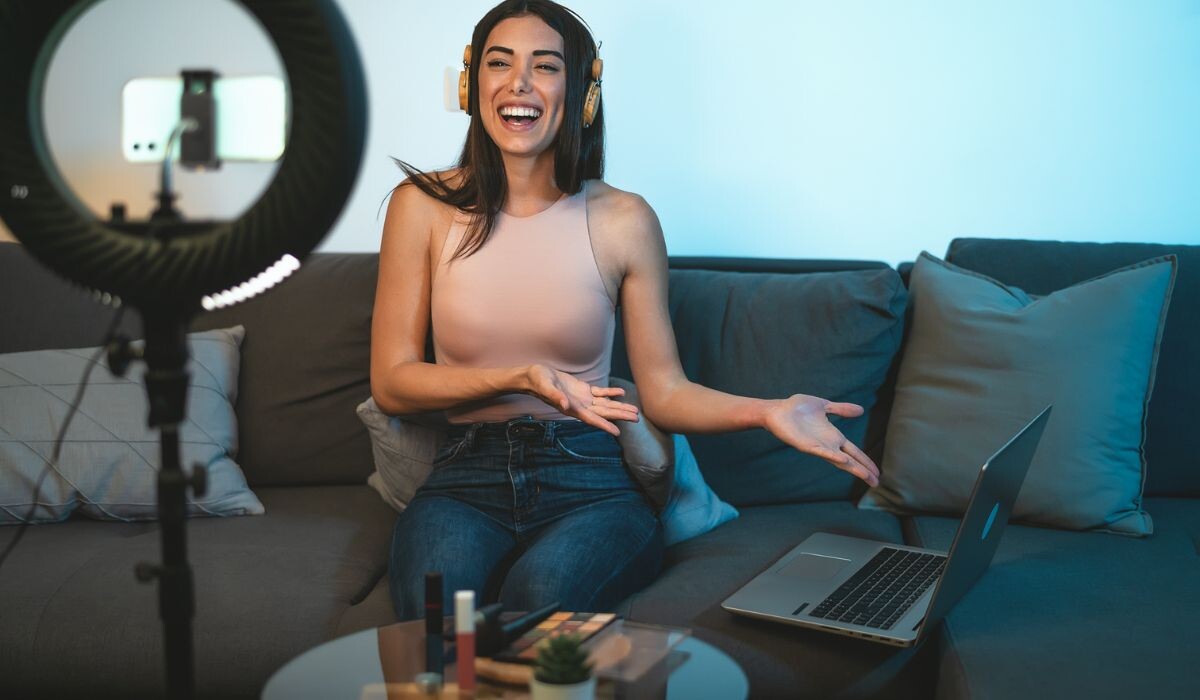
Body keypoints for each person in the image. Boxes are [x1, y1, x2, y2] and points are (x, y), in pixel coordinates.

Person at [371, 0, 880, 620]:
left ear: (583, 91)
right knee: (436, 620)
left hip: (590, 477)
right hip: (464, 476)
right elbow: (393, 384)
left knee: (544, 608)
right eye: (499, 63)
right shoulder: (420, 207)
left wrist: (769, 411)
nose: (519, 84)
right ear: (469, 83)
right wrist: (523, 376)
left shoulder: (625, 220)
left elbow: (663, 391)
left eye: (546, 66)